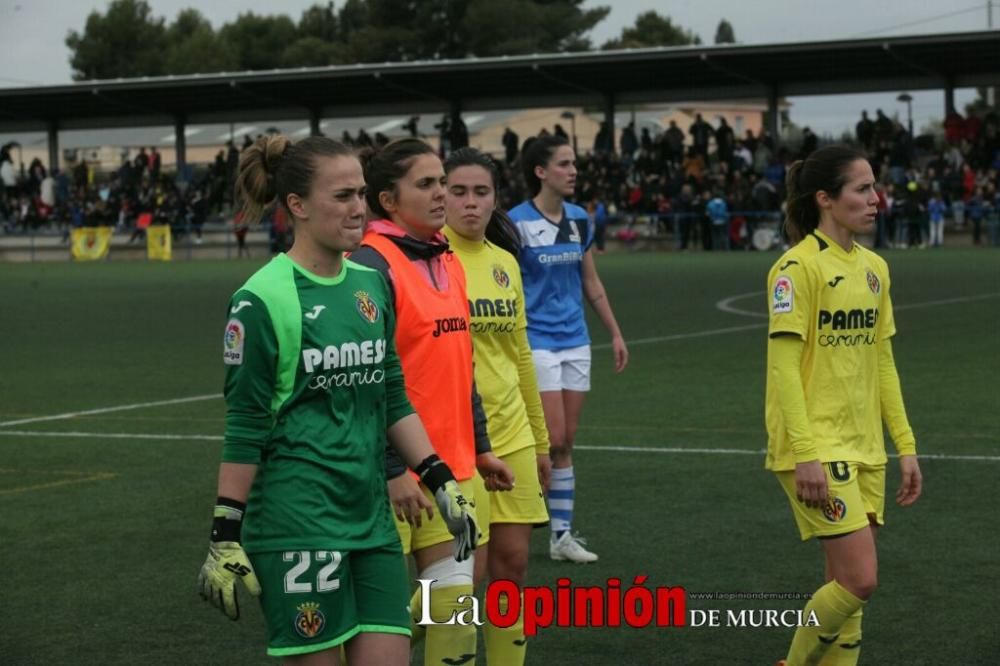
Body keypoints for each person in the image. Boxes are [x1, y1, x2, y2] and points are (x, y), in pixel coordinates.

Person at [197, 134, 478, 665]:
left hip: (370, 521)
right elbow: (246, 425)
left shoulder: (370, 284)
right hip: (297, 526)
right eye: (343, 196)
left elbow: (392, 395)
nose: (359, 209)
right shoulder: (262, 299)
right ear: (297, 206)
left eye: (361, 194)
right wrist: (224, 532)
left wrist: (440, 480)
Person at [349, 138, 514, 666]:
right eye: (426, 184)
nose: (441, 193)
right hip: (390, 480)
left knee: (453, 622)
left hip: (453, 471)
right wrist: (393, 466)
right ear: (388, 201)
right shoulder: (370, 267)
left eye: (441, 181)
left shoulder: (447, 259)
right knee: (383, 624)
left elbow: (460, 367)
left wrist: (481, 446)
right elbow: (362, 380)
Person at [766, 145, 922, 666]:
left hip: (865, 446)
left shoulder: (875, 269)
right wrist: (805, 452)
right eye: (862, 189)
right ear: (826, 199)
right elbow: (784, 368)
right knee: (861, 579)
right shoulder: (796, 268)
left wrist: (906, 446)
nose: (876, 198)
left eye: (874, 187)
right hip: (816, 446)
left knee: (843, 587)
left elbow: (883, 362)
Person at [442, 147, 551, 665]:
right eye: (457, 192)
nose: (470, 203)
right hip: (457, 443)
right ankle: (379, 648)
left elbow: (520, 355)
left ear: (495, 198)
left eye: (480, 192)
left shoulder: (506, 262)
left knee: (513, 569)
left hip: (514, 438)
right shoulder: (431, 260)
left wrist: (542, 441)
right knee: (463, 579)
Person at [508, 135, 628, 563]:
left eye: (573, 163)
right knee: (552, 437)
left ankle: (561, 538)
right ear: (540, 172)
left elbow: (590, 281)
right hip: (536, 341)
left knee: (567, 441)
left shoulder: (580, 219)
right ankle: (518, 520)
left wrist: (613, 331)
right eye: (564, 164)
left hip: (576, 341)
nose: (573, 170)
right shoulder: (514, 223)